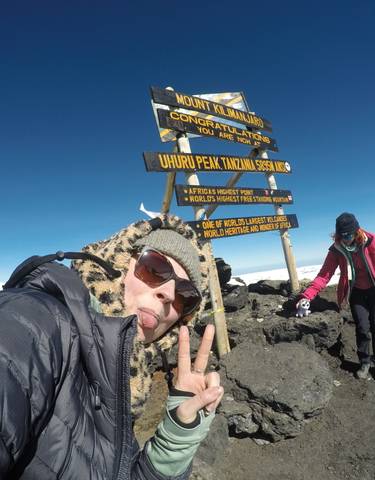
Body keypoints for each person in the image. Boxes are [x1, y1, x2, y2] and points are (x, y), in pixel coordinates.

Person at [0, 214, 224, 479]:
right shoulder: (37, 318)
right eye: (154, 268)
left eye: (186, 295)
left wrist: (175, 439)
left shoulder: (120, 384)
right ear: (115, 264)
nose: (169, 294)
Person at [296, 212, 375, 379]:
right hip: (356, 293)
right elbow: (324, 275)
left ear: (357, 231)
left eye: (349, 234)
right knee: (362, 328)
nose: (346, 239)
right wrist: (307, 296)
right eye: (342, 235)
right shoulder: (336, 250)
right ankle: (365, 361)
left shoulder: (371, 243)